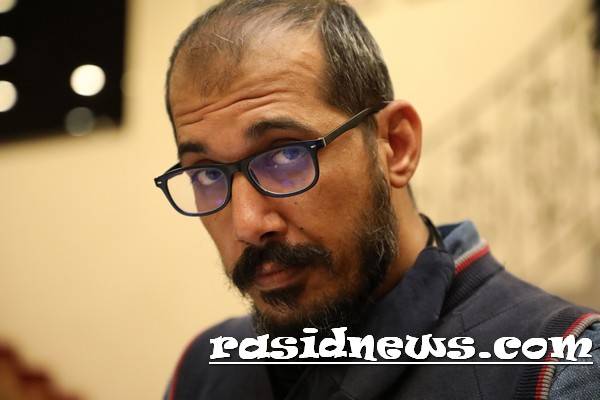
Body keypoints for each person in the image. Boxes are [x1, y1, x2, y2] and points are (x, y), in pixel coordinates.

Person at [154, 1, 600, 398]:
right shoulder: (205, 370)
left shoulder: (559, 368)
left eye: (287, 155)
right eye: (206, 174)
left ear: (396, 145)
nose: (247, 224)